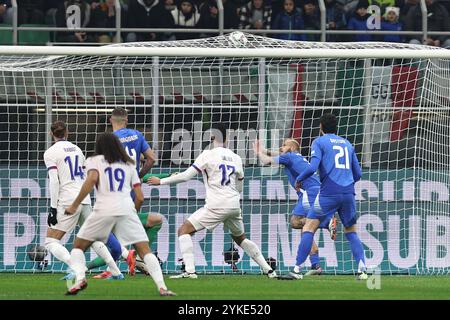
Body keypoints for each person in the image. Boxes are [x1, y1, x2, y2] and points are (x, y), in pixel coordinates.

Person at [148, 123, 277, 279]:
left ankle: (190, 271)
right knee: (240, 238)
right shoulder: (236, 158)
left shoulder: (207, 155)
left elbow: (186, 176)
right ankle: (268, 270)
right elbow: (240, 186)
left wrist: (160, 181)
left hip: (216, 205)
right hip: (234, 205)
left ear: (212, 137)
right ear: (227, 138)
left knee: (184, 230)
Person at [64, 132, 175, 296]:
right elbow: (140, 197)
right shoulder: (130, 165)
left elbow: (90, 181)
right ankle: (162, 287)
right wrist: (133, 212)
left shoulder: (94, 161)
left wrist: (74, 204)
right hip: (126, 209)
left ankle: (81, 278)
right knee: (145, 251)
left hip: (103, 209)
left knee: (78, 246)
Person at [88, 107, 163, 279]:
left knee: (109, 239)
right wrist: (139, 174)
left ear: (109, 120)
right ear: (127, 120)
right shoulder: (137, 135)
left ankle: (88, 266)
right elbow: (151, 158)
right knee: (151, 223)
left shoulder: (108, 140)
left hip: (114, 195)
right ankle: (136, 261)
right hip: (131, 196)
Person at [291, 113, 367, 280]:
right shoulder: (347, 143)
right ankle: (362, 269)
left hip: (328, 193)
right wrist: (346, 184)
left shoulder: (319, 142)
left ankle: (296, 269)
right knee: (351, 231)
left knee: (308, 226)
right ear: (336, 127)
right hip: (348, 194)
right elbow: (359, 173)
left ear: (321, 127)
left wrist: (299, 178)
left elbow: (312, 167)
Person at [43, 121, 121, 281]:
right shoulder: (77, 150)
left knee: (51, 242)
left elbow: (54, 181)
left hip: (67, 200)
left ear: (51, 134)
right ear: (68, 132)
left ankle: (76, 267)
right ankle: (116, 272)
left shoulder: (50, 153)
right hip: (84, 198)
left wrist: (52, 208)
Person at [253, 138, 337, 276]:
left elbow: (266, 161)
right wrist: (264, 150)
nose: (281, 147)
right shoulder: (296, 156)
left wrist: (258, 153)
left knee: (295, 222)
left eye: (284, 145)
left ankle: (327, 223)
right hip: (316, 190)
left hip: (309, 192)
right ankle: (316, 265)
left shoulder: (290, 156)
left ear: (292, 147)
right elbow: (277, 152)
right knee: (305, 229)